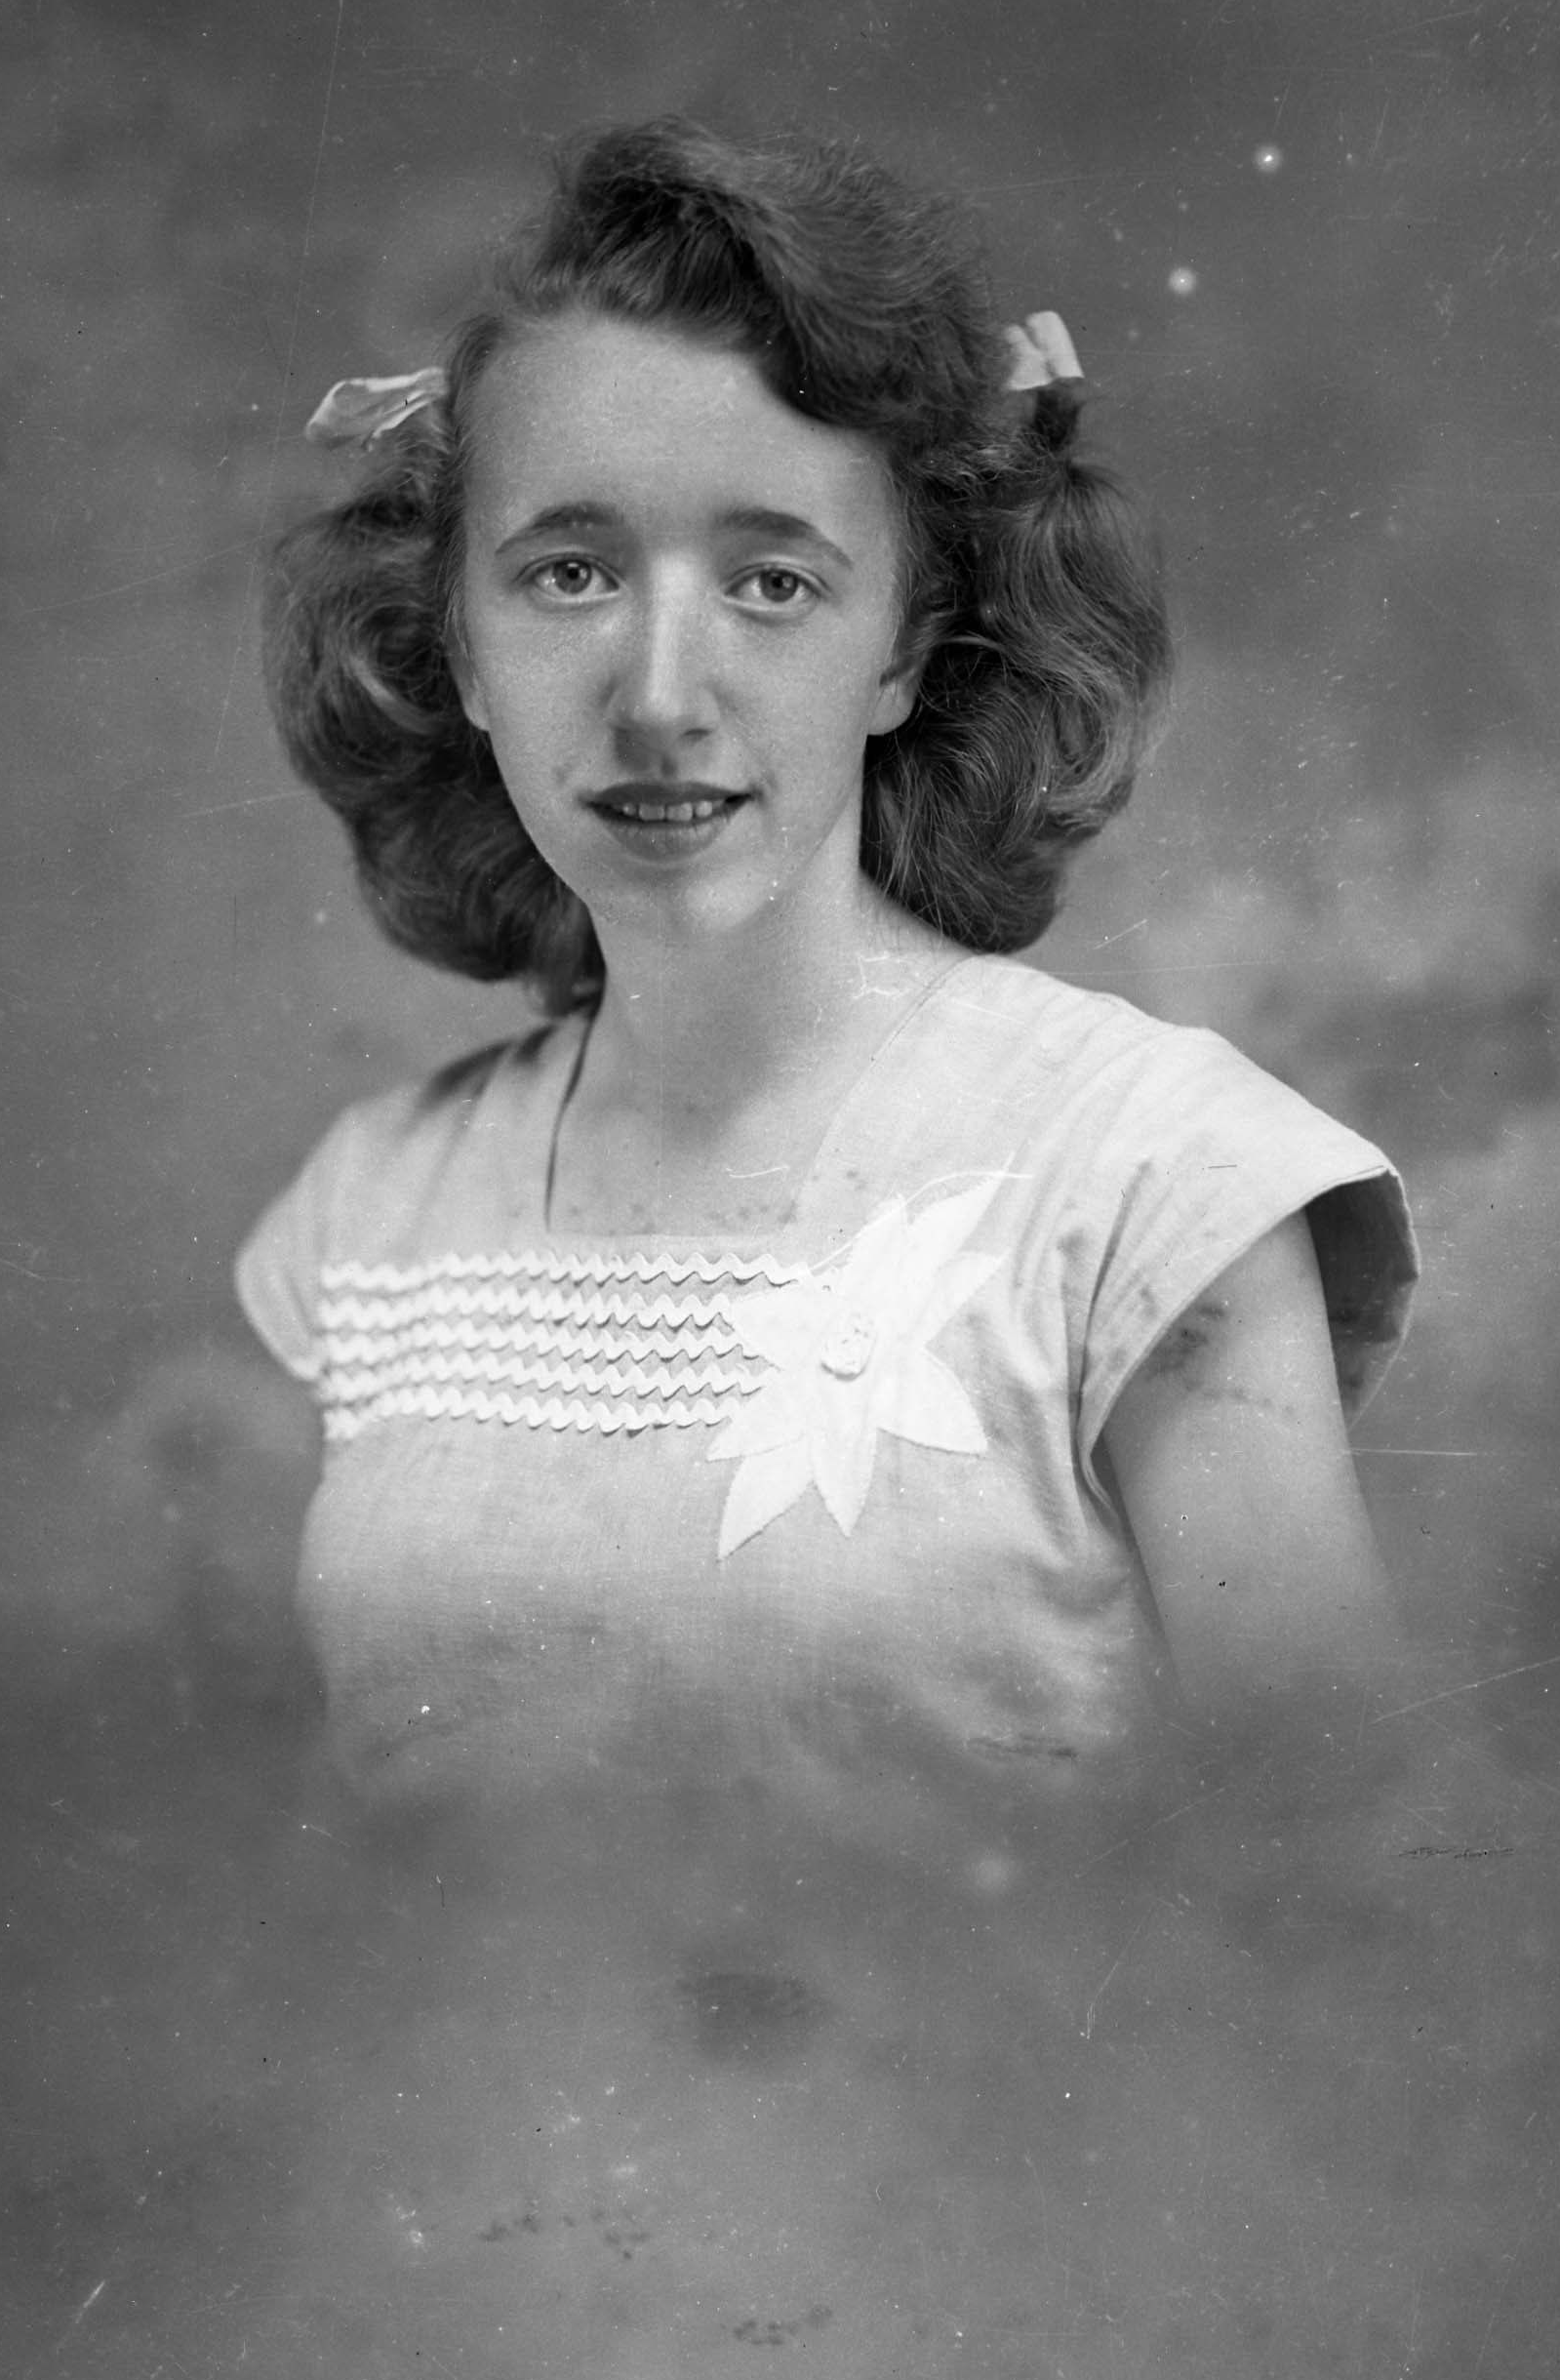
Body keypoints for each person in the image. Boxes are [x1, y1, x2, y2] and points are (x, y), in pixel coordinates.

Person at [235, 118, 1417, 1854]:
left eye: (774, 582)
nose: (661, 696)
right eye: (570, 573)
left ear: (906, 650)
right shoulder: (370, 1211)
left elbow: (1355, 1870)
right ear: (463, 647)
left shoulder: (1151, 1180)